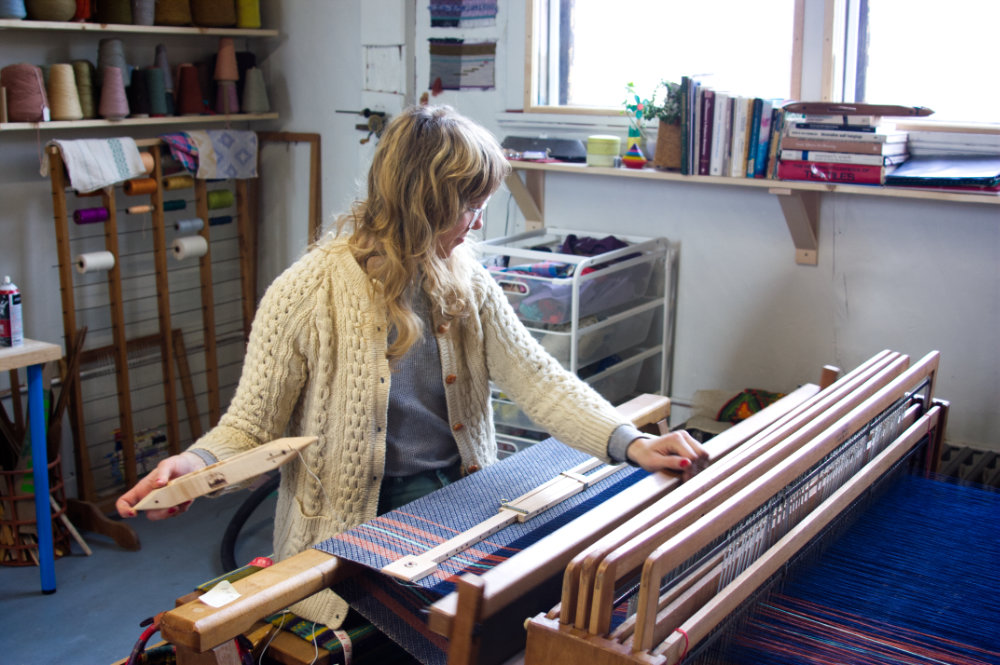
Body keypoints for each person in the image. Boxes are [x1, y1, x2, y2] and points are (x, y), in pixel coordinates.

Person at [116, 104, 707, 629]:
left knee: (512, 609)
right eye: (469, 207)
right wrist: (195, 465)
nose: (478, 223)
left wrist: (628, 442)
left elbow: (537, 378)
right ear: (424, 203)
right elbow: (249, 429)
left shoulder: (464, 280)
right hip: (354, 524)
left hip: (462, 498)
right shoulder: (305, 293)